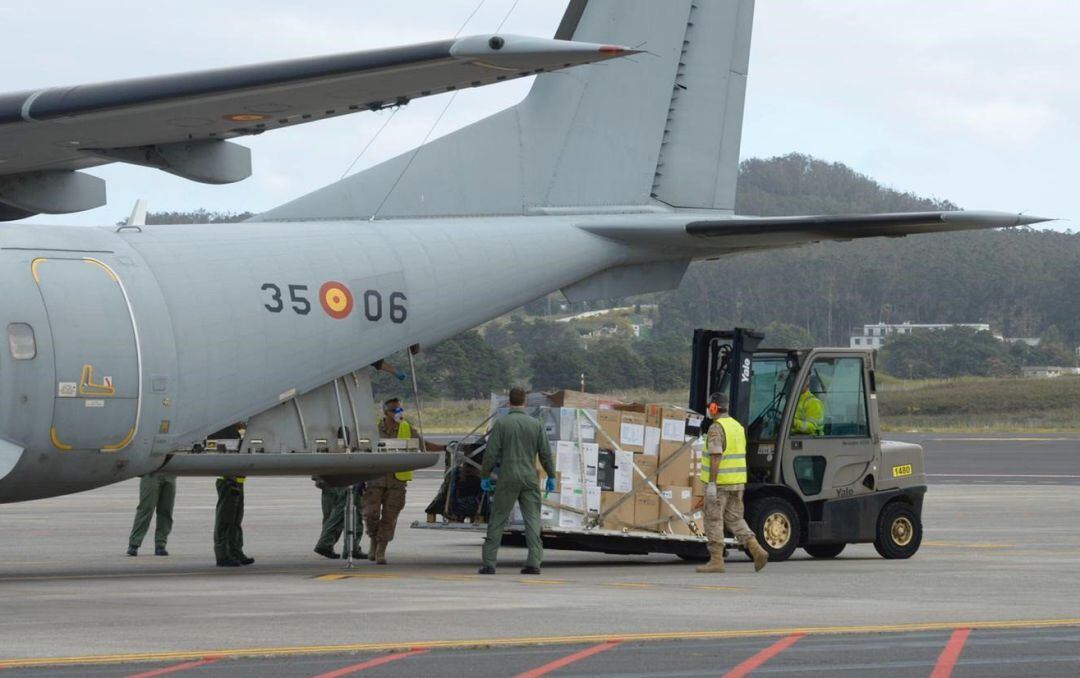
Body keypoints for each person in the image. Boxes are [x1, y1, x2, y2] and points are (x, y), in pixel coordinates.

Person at [478, 386, 556, 575]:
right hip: (529, 477)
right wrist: (551, 475)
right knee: (532, 520)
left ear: (509, 402)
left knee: (498, 519)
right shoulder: (535, 424)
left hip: (508, 476)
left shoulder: (502, 424)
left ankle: (489, 563)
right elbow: (545, 453)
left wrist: (485, 475)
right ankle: (534, 562)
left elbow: (491, 453)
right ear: (526, 402)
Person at [364, 397, 445, 565]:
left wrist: (444, 448)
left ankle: (381, 550)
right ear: (385, 412)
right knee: (370, 513)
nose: (398, 413)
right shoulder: (373, 429)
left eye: (400, 410)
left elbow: (424, 445)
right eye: (394, 410)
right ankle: (373, 539)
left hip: (397, 480)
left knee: (390, 516)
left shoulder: (407, 428)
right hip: (375, 479)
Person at [696, 393, 769, 574]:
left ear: (714, 408)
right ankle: (756, 550)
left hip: (720, 484)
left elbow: (716, 456)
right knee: (735, 519)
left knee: (713, 520)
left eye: (709, 407)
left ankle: (716, 560)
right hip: (737, 483)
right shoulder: (737, 427)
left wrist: (712, 483)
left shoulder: (716, 428)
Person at [126, 473, 177, 557]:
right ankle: (134, 543)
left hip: (170, 474)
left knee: (166, 511)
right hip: (151, 473)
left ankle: (161, 544)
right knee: (146, 508)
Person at [314, 480, 364, 560]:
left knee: (333, 515)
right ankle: (349, 548)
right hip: (344, 480)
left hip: (330, 481)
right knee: (349, 513)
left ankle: (328, 544)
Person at [214, 475, 253, 567]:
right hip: (228, 481)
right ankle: (223, 555)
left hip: (237, 480)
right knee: (225, 518)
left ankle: (235, 551)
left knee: (236, 518)